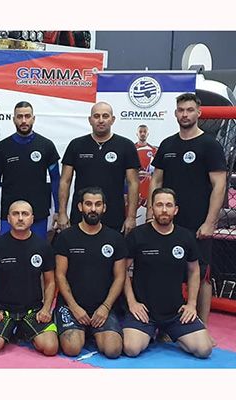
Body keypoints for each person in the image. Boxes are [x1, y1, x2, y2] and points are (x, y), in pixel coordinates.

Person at [148, 93, 227, 336]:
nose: (185, 114)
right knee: (165, 271)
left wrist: (210, 222)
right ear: (175, 113)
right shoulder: (168, 145)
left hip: (197, 223)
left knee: (201, 276)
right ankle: (164, 323)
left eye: (190, 110)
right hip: (167, 222)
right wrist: (151, 212)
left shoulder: (210, 145)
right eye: (181, 110)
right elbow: (156, 180)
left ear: (198, 113)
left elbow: (219, 185)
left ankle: (201, 326)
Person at [123, 188, 212, 359]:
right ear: (152, 208)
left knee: (204, 350)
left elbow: (194, 270)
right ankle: (150, 333)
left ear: (175, 210)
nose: (164, 210)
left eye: (168, 205)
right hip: (144, 311)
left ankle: (172, 332)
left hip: (175, 312)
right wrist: (132, 303)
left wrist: (191, 304)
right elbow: (122, 270)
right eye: (159, 205)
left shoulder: (185, 237)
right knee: (131, 349)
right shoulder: (137, 235)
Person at [54, 187, 126, 359]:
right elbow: (60, 275)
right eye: (88, 204)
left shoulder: (115, 238)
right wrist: (74, 307)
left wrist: (105, 307)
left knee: (113, 350)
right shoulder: (65, 237)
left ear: (104, 208)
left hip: (102, 307)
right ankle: (79, 330)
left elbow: (120, 277)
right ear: (80, 207)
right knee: (72, 348)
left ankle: (93, 331)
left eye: (98, 204)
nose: (93, 209)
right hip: (71, 306)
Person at [0, 200, 58, 356]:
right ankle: (10, 331)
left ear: (32, 218)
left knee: (50, 348)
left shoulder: (43, 247)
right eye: (15, 214)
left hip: (33, 309)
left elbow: (50, 282)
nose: (20, 218)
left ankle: (24, 330)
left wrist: (46, 309)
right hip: (2, 309)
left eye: (25, 214)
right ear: (8, 218)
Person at [58, 102, 140, 233]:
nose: (101, 120)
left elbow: (133, 183)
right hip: (81, 216)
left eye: (105, 116)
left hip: (114, 216)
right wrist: (62, 213)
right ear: (90, 120)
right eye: (96, 116)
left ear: (113, 119)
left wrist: (131, 217)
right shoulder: (76, 145)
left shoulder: (126, 146)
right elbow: (65, 181)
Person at [0, 101, 60, 239]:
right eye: (19, 117)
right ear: (13, 119)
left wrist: (58, 210)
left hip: (38, 213)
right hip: (10, 214)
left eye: (27, 116)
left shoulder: (46, 145)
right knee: (8, 251)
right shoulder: (2, 147)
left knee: (37, 250)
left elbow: (56, 179)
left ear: (33, 118)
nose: (24, 121)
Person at [134, 124, 157, 209]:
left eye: (145, 132)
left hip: (148, 187)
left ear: (148, 134)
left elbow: (158, 171)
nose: (142, 134)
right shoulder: (131, 149)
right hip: (134, 185)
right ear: (137, 134)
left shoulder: (153, 150)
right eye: (140, 132)